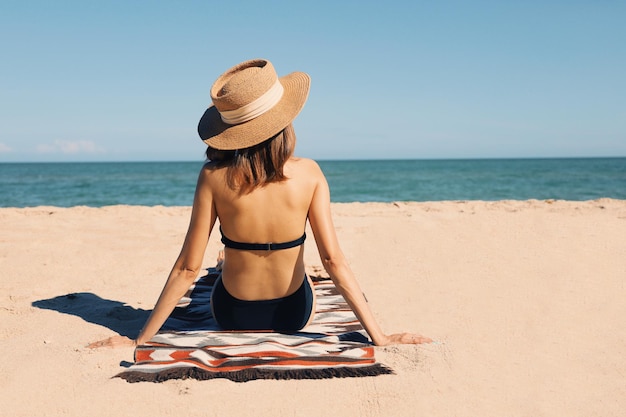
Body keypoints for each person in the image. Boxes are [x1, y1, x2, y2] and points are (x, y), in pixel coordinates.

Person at [89, 59, 431, 349]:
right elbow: (333, 261)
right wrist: (380, 337)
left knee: (216, 271)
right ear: (284, 120)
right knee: (307, 272)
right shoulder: (310, 173)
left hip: (232, 314)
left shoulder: (212, 176)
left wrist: (140, 339)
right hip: (293, 314)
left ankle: (228, 263)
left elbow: (187, 270)